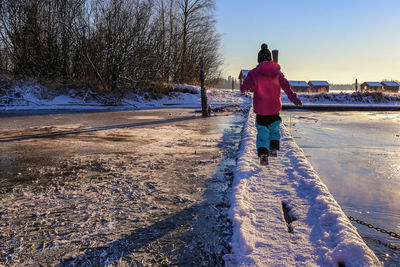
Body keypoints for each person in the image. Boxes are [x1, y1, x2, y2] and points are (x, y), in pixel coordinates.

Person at [241, 43, 302, 165]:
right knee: (274, 127)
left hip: (261, 108)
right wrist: (293, 98)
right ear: (270, 58)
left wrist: (248, 88)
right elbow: (286, 87)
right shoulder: (277, 73)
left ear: (259, 59)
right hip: (274, 107)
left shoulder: (254, 73)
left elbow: (244, 88)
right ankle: (274, 147)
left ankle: (264, 153)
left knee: (262, 130)